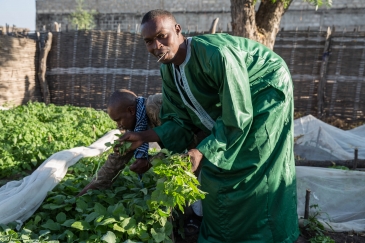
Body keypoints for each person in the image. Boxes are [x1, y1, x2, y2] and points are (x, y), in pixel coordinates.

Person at [119, 9, 299, 242]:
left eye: (162, 36)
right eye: (149, 42)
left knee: (251, 162)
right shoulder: (168, 70)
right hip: (238, 106)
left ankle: (269, 235)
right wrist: (145, 136)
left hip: (266, 90)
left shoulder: (216, 55)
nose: (157, 46)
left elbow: (237, 117)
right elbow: (179, 120)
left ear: (177, 30)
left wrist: (202, 151)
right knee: (216, 170)